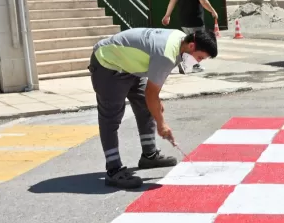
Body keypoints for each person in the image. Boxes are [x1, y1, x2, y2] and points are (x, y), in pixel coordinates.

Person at [89, 28, 219, 189]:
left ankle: (149, 156)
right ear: (191, 46)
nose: (198, 62)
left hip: (129, 65)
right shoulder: (166, 55)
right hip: (108, 63)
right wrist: (161, 124)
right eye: (199, 57)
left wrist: (156, 105)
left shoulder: (181, 39)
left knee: (147, 107)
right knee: (111, 117)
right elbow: (151, 93)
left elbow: (152, 94)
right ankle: (113, 169)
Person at [163, 0, 219, 72]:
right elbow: (203, 1)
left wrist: (167, 15)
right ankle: (195, 65)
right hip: (196, 20)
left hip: (184, 21)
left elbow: (172, 1)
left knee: (188, 44)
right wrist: (213, 11)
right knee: (197, 44)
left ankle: (182, 63)